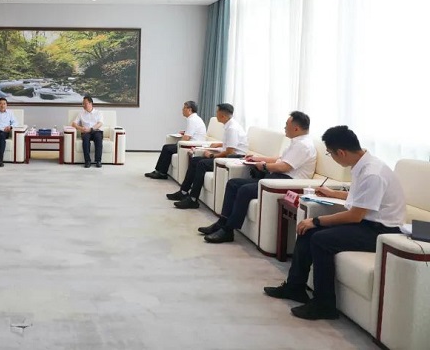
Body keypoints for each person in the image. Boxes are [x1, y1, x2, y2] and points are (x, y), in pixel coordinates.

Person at [263, 126, 405, 320]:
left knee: (321, 239)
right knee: (307, 231)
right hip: (366, 224)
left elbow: (355, 215)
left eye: (330, 153)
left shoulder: (372, 173)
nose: (332, 158)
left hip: (382, 232)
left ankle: (324, 305)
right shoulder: (362, 165)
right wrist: (332, 194)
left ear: (341, 152)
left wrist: (316, 220)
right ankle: (295, 287)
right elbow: (360, 198)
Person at [200, 111, 317, 243]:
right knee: (233, 183)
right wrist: (257, 159)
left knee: (245, 190)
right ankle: (222, 223)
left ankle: (228, 230)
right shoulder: (297, 142)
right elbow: (280, 159)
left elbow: (284, 167)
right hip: (276, 177)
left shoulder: (303, 145)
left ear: (296, 128)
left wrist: (264, 166)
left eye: (286, 124)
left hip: (285, 182)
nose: (284, 127)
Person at [168, 103, 248, 209]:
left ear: (222, 115)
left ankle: (193, 199)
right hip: (229, 155)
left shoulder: (232, 128)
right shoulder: (229, 125)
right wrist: (219, 144)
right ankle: (183, 191)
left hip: (234, 159)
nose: (215, 114)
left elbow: (230, 151)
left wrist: (211, 155)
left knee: (202, 164)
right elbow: (231, 145)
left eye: (217, 112)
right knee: (195, 160)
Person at [145, 101, 207, 180]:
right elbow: (191, 134)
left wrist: (178, 143)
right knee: (167, 147)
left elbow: (187, 138)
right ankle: (159, 171)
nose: (182, 110)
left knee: (167, 148)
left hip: (192, 145)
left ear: (189, 110)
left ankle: (161, 173)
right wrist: (184, 133)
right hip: (192, 143)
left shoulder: (192, 120)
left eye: (184, 108)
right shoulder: (195, 118)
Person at [71, 96, 104, 168]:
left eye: (85, 103)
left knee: (98, 139)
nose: (83, 105)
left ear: (90, 103)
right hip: (85, 132)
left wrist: (91, 129)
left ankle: (98, 161)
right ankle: (87, 161)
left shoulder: (98, 112)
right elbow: (73, 124)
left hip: (96, 131)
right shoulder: (81, 113)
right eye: (83, 103)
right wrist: (80, 128)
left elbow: (100, 123)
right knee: (85, 140)